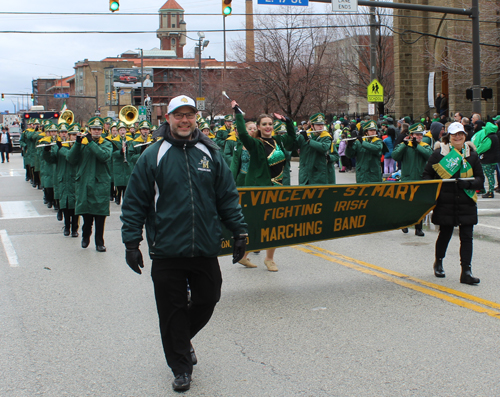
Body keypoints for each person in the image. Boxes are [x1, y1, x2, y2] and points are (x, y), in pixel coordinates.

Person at [121, 95, 247, 392]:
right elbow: (135, 203)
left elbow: (227, 197)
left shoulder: (210, 153)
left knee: (208, 298)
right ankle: (180, 367)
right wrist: (131, 242)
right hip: (166, 249)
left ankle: (179, 340)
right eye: (178, 115)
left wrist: (239, 231)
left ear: (196, 118)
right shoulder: (153, 155)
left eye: (189, 115)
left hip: (203, 246)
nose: (184, 120)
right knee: (171, 310)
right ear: (168, 119)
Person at [231, 99, 296, 272]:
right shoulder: (255, 144)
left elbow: (292, 140)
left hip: (277, 187)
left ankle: (269, 259)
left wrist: (288, 122)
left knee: (274, 225)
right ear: (258, 127)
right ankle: (244, 256)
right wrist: (238, 114)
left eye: (270, 124)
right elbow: (243, 135)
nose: (268, 127)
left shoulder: (278, 141)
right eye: (264, 124)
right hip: (261, 189)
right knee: (258, 224)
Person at [422, 122, 484, 284]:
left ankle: (466, 271)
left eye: (461, 134)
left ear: (465, 135)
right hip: (446, 202)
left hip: (466, 201)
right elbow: (426, 176)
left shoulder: (472, 155)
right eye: (455, 134)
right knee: (445, 234)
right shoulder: (438, 154)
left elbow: (480, 179)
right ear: (448, 137)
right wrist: (438, 188)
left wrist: (468, 184)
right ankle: (439, 262)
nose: (458, 137)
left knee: (467, 237)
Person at [67, 117, 113, 252]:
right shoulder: (83, 144)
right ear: (89, 130)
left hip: (100, 184)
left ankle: (99, 242)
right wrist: (77, 144)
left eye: (99, 129)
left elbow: (104, 156)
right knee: (87, 215)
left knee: (100, 215)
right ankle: (85, 236)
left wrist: (91, 143)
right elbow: (70, 159)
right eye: (94, 129)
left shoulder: (106, 143)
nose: (96, 132)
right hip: (85, 184)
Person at [392, 123, 433, 236]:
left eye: (420, 135)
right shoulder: (405, 145)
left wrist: (417, 146)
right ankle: (404, 224)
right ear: (411, 135)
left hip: (420, 178)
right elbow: (395, 156)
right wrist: (405, 145)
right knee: (406, 204)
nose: (419, 137)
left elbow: (429, 156)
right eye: (417, 135)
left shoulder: (424, 145)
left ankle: (418, 227)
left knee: (418, 205)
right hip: (407, 178)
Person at [296, 113, 334, 185]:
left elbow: (324, 147)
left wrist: (309, 141)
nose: (321, 127)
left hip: (318, 176)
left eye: (322, 125)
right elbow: (292, 146)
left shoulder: (326, 137)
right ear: (312, 126)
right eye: (318, 125)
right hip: (305, 176)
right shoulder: (304, 135)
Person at [472, 122, 500, 198]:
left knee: (489, 176)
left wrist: (475, 152)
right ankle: (490, 190)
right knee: (491, 176)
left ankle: (490, 192)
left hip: (487, 160)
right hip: (494, 159)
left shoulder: (489, 138)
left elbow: (482, 148)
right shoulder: (495, 136)